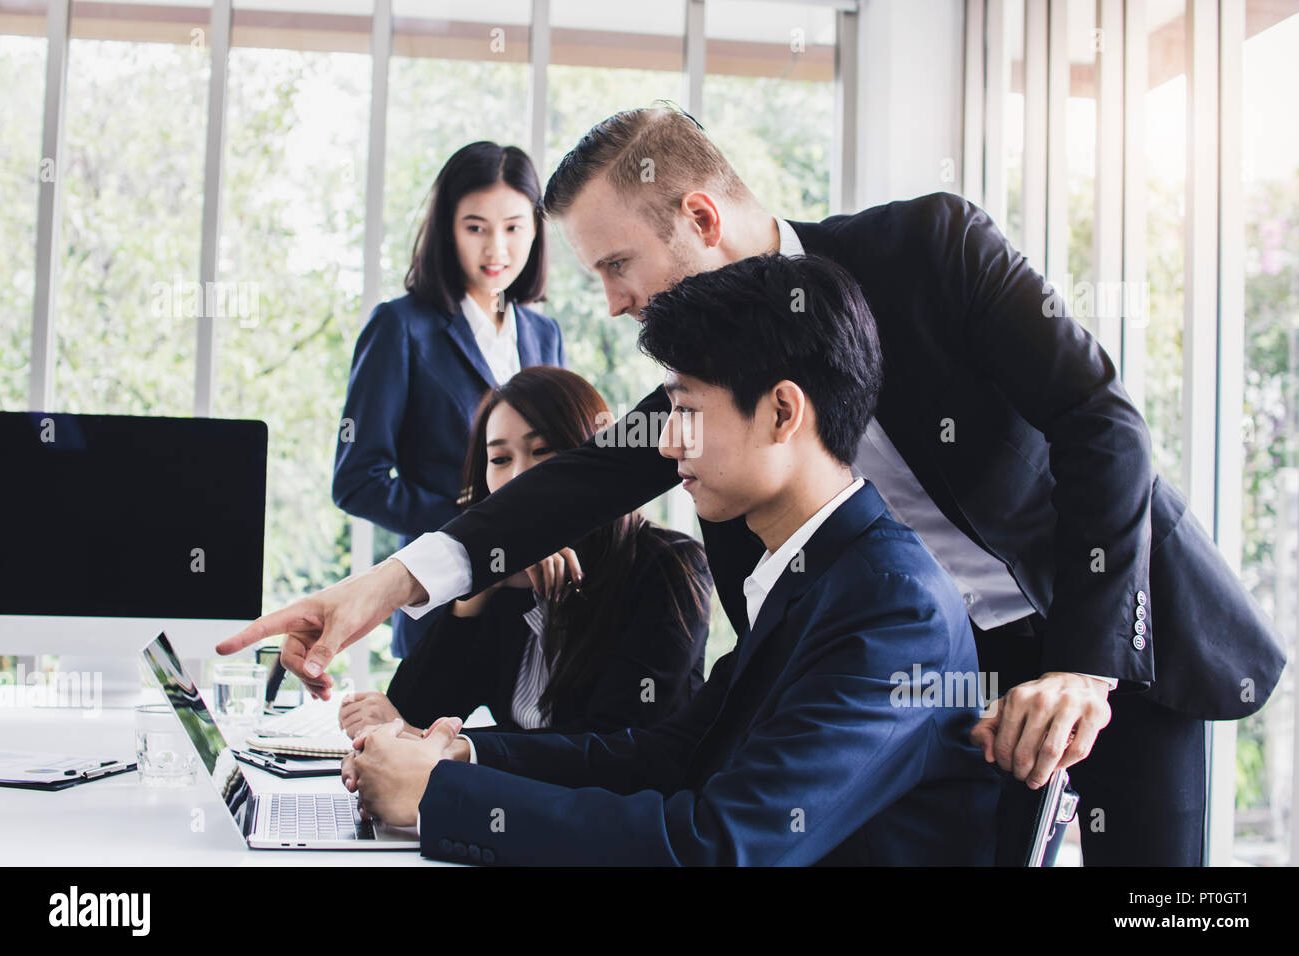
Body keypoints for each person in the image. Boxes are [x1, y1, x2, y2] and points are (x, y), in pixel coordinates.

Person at [220, 105, 1285, 866]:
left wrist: (1084, 669)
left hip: (1107, 635)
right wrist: (381, 591)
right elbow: (578, 484)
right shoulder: (716, 402)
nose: (615, 304)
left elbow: (1101, 425)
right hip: (932, 658)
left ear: (700, 217)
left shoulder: (929, 250)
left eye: (619, 267)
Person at [347, 254, 999, 865]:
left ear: (781, 412)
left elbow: (722, 846)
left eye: (685, 408)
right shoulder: (816, 572)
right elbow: (672, 753)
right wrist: (459, 757)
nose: (664, 441)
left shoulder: (891, 606)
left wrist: (442, 796)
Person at [335, 365, 712, 745]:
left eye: (542, 451)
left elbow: (612, 744)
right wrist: (477, 595)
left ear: (591, 458)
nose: (520, 477)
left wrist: (443, 745)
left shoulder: (669, 566)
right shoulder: (507, 579)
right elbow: (412, 714)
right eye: (499, 460)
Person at [331, 141, 564, 659]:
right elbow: (357, 482)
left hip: (538, 609)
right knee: (418, 739)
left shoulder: (544, 335)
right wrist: (474, 535)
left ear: (536, 229)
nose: (496, 250)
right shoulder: (401, 327)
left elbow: (560, 467)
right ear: (447, 229)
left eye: (514, 227)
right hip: (440, 608)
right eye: (475, 227)